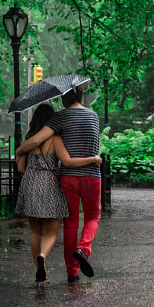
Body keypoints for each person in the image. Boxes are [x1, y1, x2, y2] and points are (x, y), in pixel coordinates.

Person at [16, 84, 102, 283]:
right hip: (91, 175)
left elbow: (36, 140)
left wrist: (20, 151)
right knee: (92, 217)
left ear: (63, 99)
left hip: (69, 178)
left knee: (70, 224)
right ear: (80, 95)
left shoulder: (60, 118)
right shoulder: (93, 116)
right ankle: (83, 248)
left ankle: (72, 273)